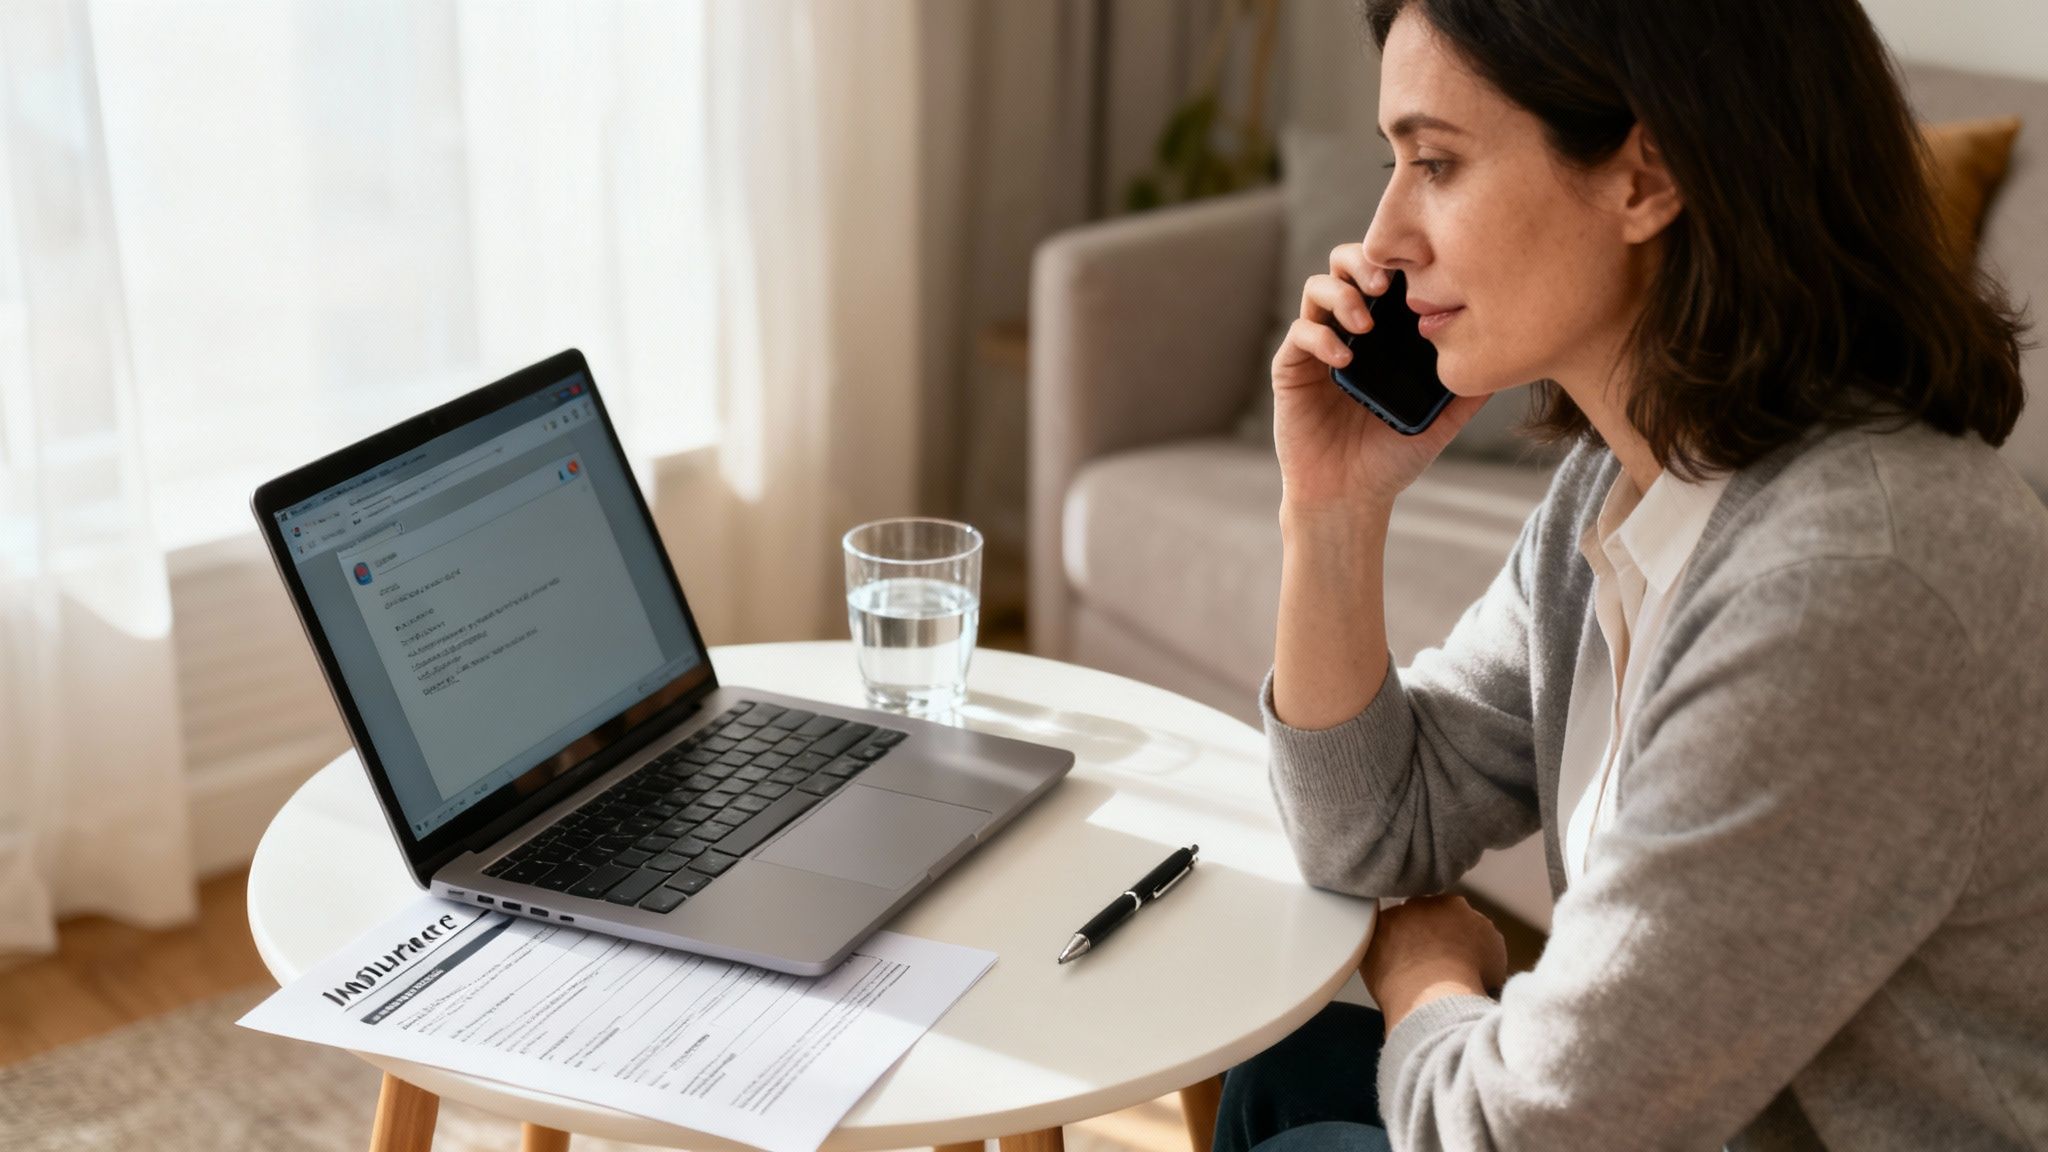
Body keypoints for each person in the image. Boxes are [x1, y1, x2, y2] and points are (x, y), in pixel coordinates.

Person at [1223, 0, 2048, 1148]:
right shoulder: (1619, 493)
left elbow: (1524, 1134)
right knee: (1282, 1064)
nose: (1382, 238)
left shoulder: (1851, 581)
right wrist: (1330, 512)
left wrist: (1428, 978)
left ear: (1642, 178)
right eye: (1391, 164)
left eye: (1436, 163)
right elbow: (1367, 827)